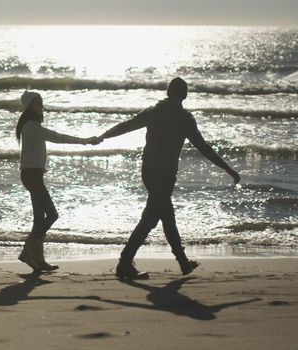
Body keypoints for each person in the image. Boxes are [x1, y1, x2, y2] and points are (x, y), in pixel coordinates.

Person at [96, 77, 240, 279]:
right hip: (164, 175)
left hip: (149, 171)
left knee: (166, 216)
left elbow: (127, 125)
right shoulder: (185, 118)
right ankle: (124, 263)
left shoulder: (154, 111)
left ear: (168, 92)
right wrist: (228, 168)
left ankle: (182, 262)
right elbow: (203, 147)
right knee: (150, 220)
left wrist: (103, 136)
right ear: (185, 94)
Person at [16, 91, 99, 272]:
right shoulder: (31, 126)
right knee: (52, 215)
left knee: (39, 220)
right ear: (31, 106)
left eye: (41, 103)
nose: (42, 107)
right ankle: (28, 250)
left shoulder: (30, 125)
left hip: (33, 175)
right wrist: (83, 141)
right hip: (32, 176)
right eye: (38, 104)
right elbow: (58, 137)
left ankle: (37, 260)